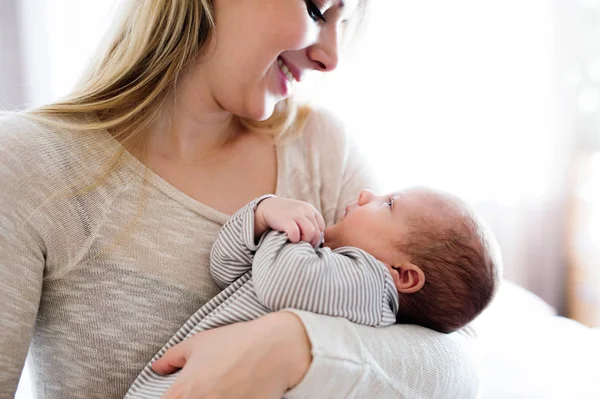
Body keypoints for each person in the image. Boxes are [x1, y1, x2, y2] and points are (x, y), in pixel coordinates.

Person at [0, 0, 482, 398]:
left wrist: (291, 347)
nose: (331, 57)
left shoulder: (320, 149)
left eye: (345, 22)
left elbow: (456, 368)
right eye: (318, 9)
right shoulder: (28, 162)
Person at [127, 188, 500, 397]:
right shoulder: (328, 267)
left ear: (403, 276)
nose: (367, 193)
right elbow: (224, 268)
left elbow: (280, 281)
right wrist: (261, 214)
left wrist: (290, 232)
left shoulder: (369, 286)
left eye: (387, 204)